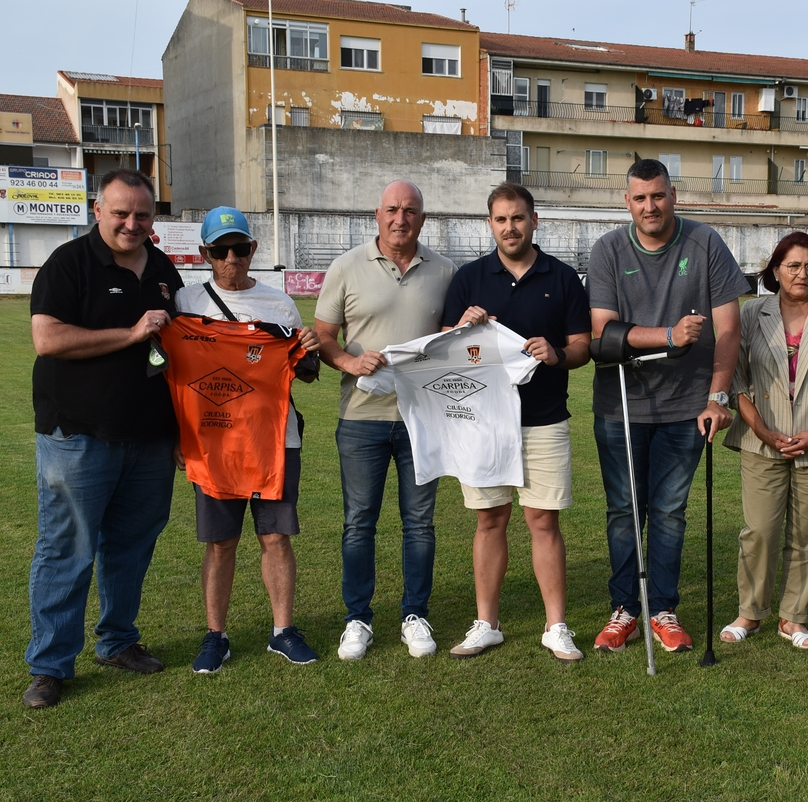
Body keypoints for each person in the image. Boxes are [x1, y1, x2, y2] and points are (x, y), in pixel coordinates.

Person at [23, 169, 182, 708]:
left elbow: (177, 353)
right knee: (67, 549)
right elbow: (47, 339)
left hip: (151, 438)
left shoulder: (163, 270)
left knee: (131, 548)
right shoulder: (69, 263)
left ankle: (117, 641)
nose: (131, 224)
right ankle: (49, 665)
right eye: (120, 213)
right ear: (98, 210)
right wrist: (132, 333)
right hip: (78, 434)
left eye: (141, 215)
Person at [588, 158, 749, 653]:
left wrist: (718, 396)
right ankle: (624, 609)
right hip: (622, 404)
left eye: (657, 196)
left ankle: (662, 607)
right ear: (627, 201)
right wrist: (668, 335)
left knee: (671, 511)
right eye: (640, 198)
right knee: (624, 511)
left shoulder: (705, 243)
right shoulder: (609, 249)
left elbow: (730, 330)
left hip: (686, 406)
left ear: (673, 195)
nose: (649, 206)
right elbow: (603, 332)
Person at [440, 183, 592, 662]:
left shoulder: (564, 277)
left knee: (543, 521)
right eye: (501, 219)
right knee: (489, 520)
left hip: (544, 419)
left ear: (534, 220)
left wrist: (558, 353)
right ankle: (487, 622)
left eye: (519, 218)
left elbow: (582, 346)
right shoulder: (469, 278)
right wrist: (461, 328)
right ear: (490, 224)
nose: (511, 227)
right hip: (482, 422)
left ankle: (556, 625)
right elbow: (444, 344)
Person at [173, 206, 321, 673]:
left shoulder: (280, 305)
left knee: (275, 536)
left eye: (239, 248)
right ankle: (215, 635)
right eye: (220, 250)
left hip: (274, 441)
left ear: (253, 249)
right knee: (220, 542)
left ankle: (283, 631)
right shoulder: (186, 305)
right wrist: (176, 436)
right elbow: (167, 373)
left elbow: (305, 372)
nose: (231, 257)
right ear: (205, 254)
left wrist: (307, 351)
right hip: (213, 444)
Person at [314, 180, 457, 660]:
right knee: (359, 522)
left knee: (420, 523)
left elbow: (448, 340)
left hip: (421, 420)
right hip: (360, 419)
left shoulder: (444, 270)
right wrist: (349, 363)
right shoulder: (347, 266)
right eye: (393, 209)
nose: (401, 218)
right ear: (378, 215)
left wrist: (461, 328)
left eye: (411, 210)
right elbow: (323, 336)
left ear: (423, 217)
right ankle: (358, 618)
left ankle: (415, 614)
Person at [721, 233, 808, 649]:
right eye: (793, 265)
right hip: (762, 439)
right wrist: (762, 430)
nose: (802, 273)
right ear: (775, 270)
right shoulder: (752, 313)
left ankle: (795, 618)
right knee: (759, 531)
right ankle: (751, 612)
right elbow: (737, 378)